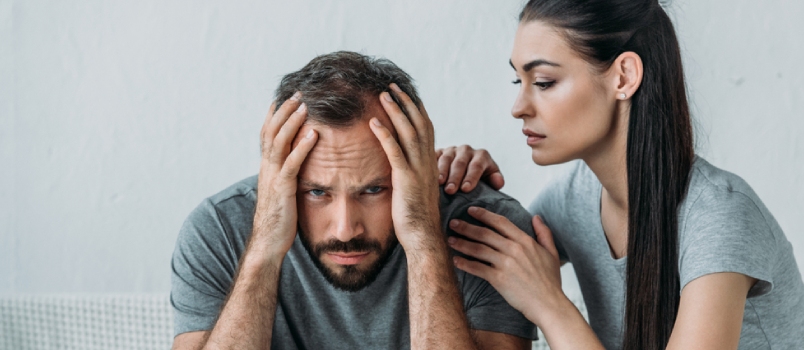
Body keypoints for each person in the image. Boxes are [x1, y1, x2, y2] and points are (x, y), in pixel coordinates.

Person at [435, 1, 804, 349]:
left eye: (544, 82)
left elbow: (532, 287)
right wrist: (460, 177)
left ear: (624, 76)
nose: (518, 108)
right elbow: (488, 258)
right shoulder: (572, 199)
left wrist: (547, 303)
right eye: (519, 81)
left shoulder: (719, 216)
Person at [169, 51, 538, 350]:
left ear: (418, 164)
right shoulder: (217, 230)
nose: (346, 229)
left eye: (374, 189)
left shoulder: (485, 229)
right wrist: (264, 248)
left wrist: (425, 241)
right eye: (316, 192)